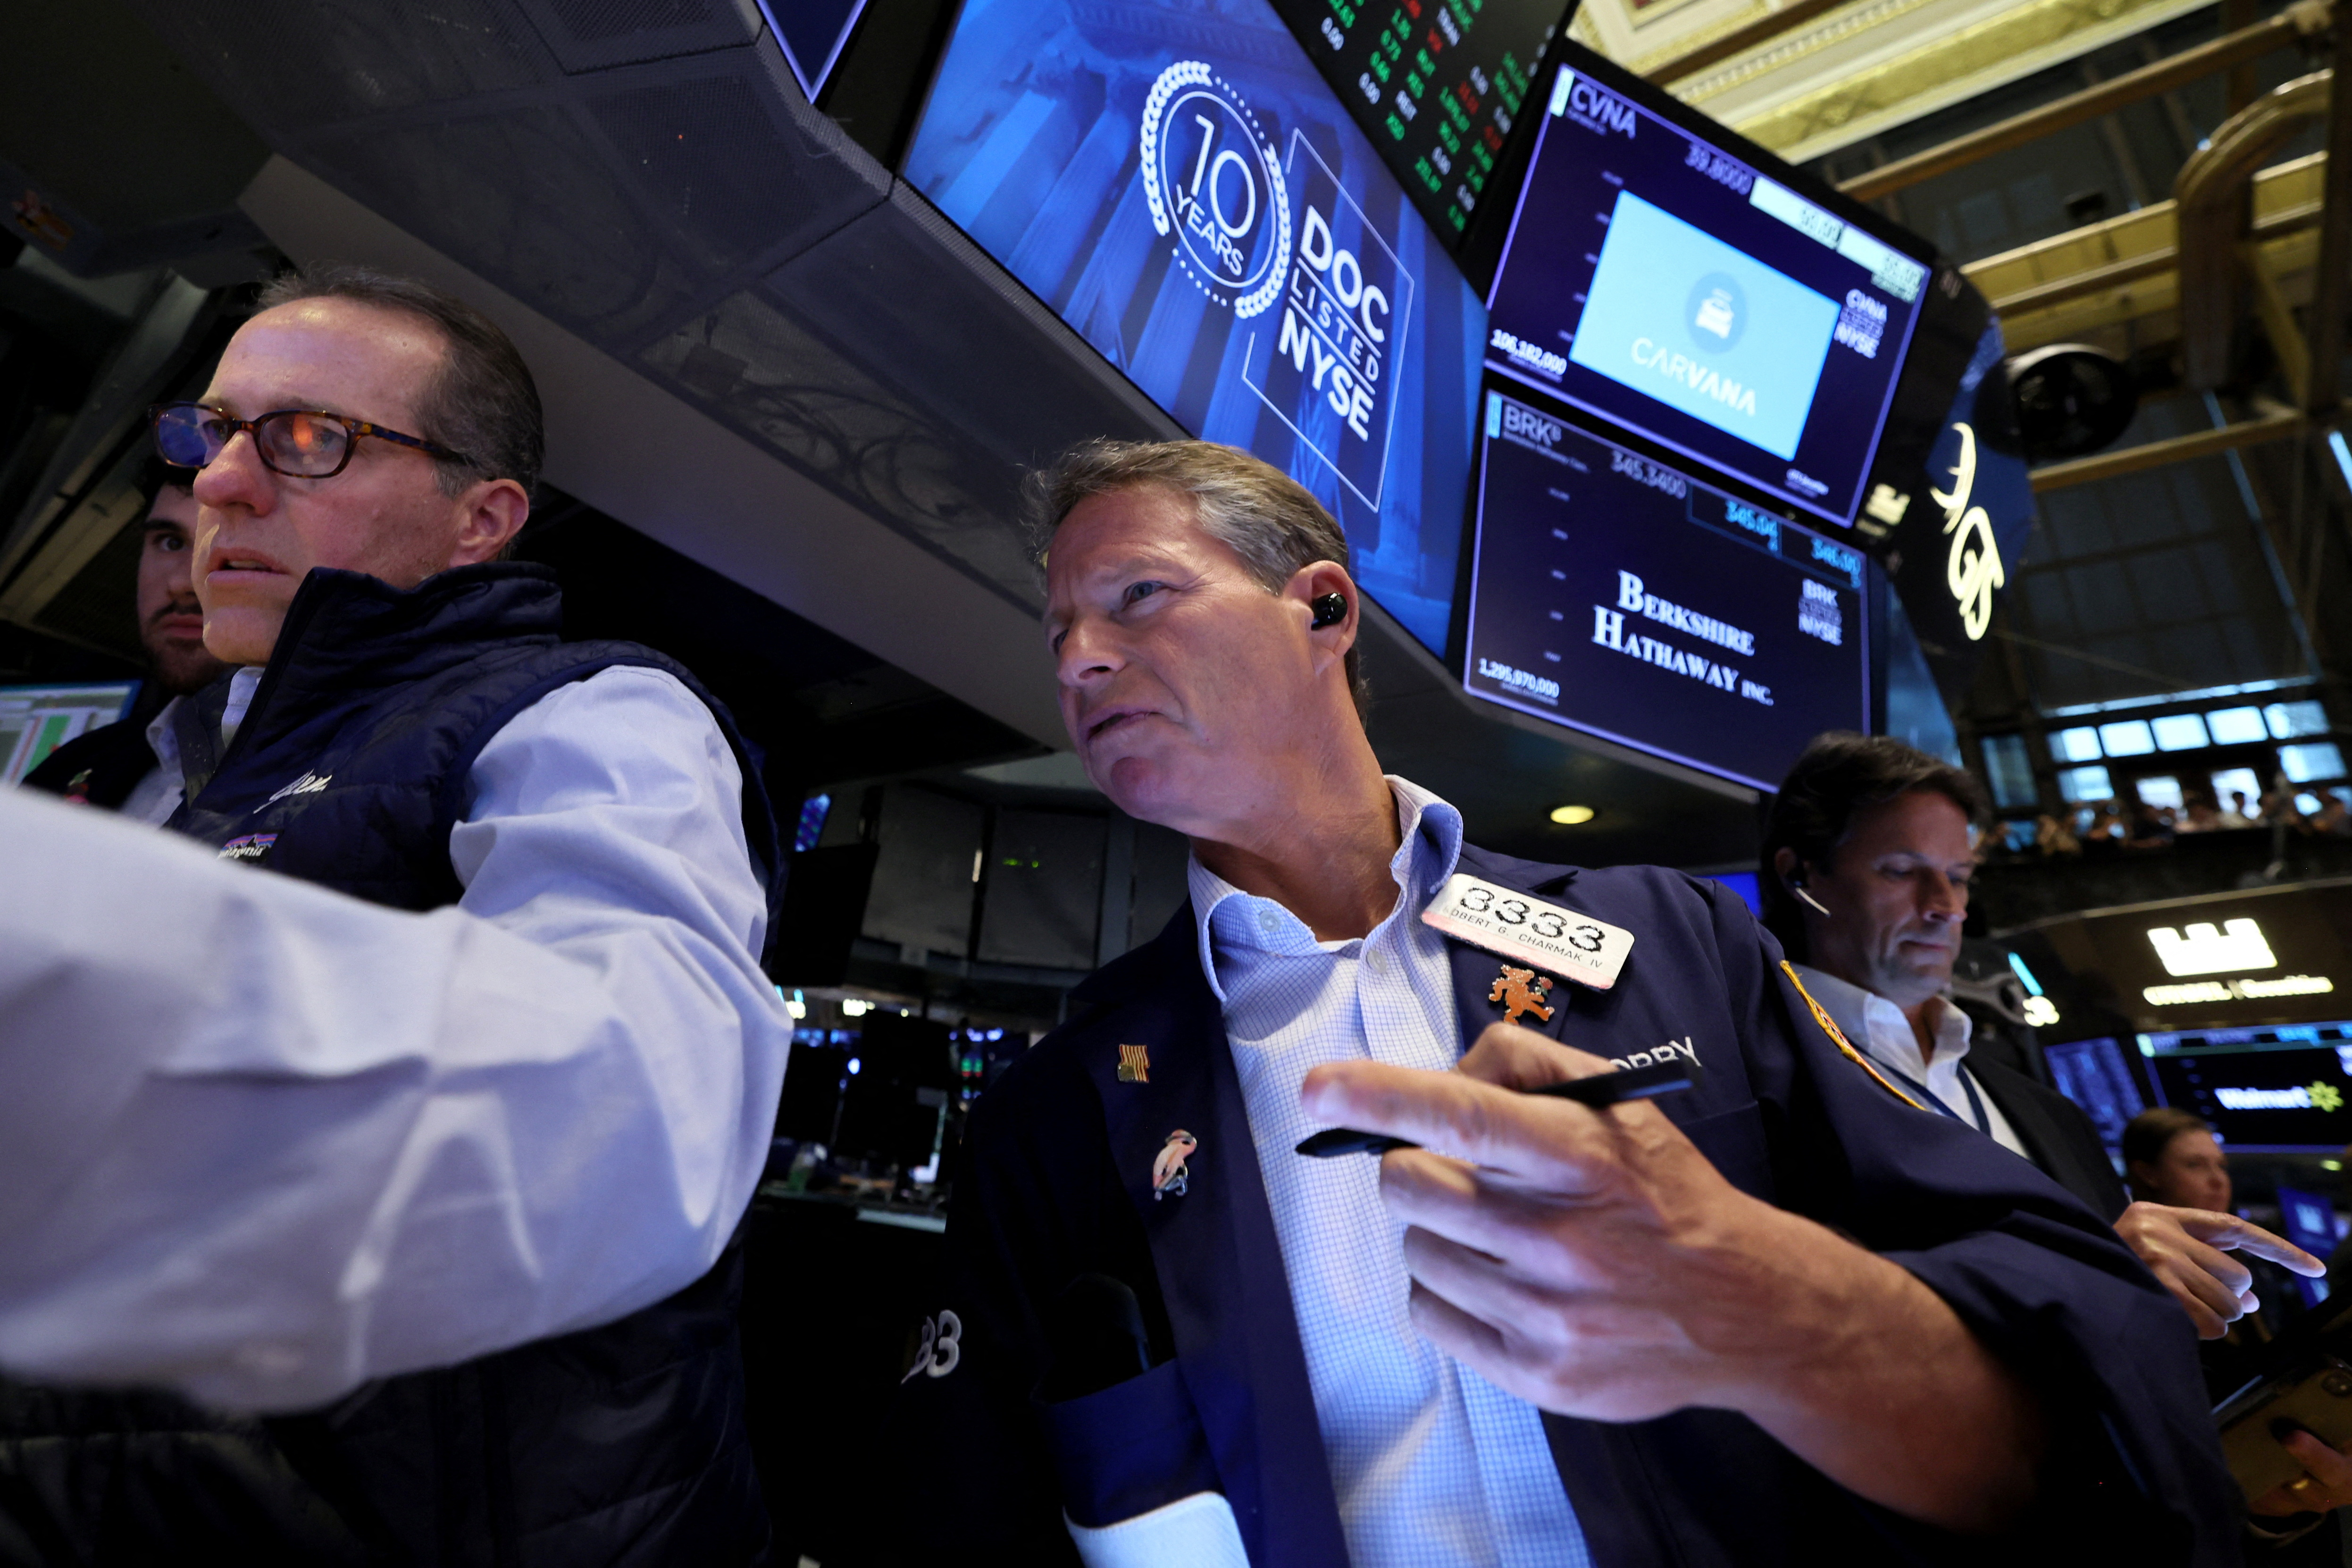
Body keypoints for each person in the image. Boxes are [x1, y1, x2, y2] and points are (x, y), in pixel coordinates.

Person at [891, 438, 2233, 1567]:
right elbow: (967, 1512)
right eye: (1061, 626)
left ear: (1321, 610)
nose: (1078, 657)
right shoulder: (1064, 1106)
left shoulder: (1669, 942)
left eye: (1135, 596)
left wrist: (1765, 1305)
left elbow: (2056, 1325)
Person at [0, 263, 787, 1564]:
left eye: (309, 440)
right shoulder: (190, 762)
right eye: (211, 433)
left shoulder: (594, 715)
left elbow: (631, 1108)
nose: (221, 484)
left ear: (482, 519)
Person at [1761, 734, 2128, 1220]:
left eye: (1957, 877)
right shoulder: (1739, 1089)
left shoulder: (2055, 1116)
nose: (1947, 907)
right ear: (1798, 875)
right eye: (1900, 871)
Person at [2124, 1109, 2352, 1534]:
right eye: (2194, 1164)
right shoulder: (2124, 1280)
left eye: (2220, 1166)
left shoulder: (2253, 1270)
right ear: (2147, 1173)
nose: (2217, 1180)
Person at [22, 462, 229, 819]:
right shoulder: (68, 768)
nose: (184, 582)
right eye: (171, 542)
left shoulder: (343, 770)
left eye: (224, 545)